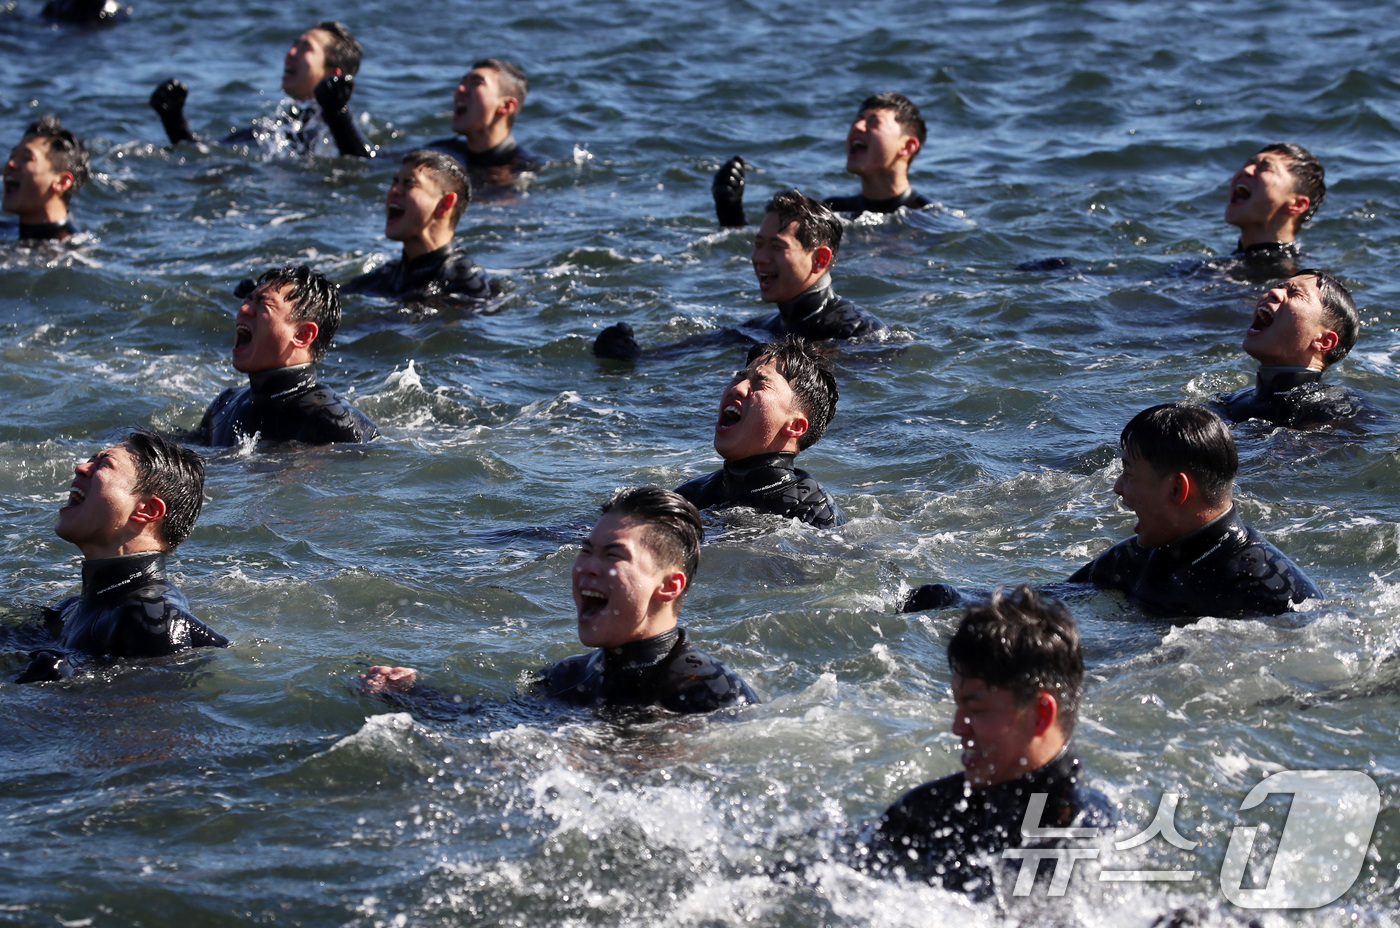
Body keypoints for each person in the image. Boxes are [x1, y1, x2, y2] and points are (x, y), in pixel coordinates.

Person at [361, 486, 757, 714]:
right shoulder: (569, 677)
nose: (587, 567)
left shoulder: (713, 693)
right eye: (585, 551)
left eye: (613, 555)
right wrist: (416, 693)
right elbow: (496, 725)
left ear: (669, 586)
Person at [903, 404, 1320, 618]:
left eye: (1128, 474)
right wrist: (955, 599)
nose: (1118, 489)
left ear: (1177, 489)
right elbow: (1055, 599)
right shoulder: (1134, 559)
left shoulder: (1267, 588)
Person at [867, 585, 1110, 893]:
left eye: (976, 709)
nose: (958, 727)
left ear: (1040, 715)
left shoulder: (1087, 840)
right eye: (958, 706)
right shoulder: (925, 812)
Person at [11, 430, 227, 683]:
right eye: (91, 459)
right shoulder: (71, 609)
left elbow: (153, 715)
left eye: (104, 464)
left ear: (146, 509)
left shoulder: (153, 618)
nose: (81, 467)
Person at [594, 190, 883, 360]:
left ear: (819, 259)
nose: (759, 258)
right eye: (758, 245)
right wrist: (632, 354)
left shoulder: (859, 332)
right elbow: (671, 356)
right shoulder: (759, 328)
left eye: (776, 247)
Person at [191, 265, 378, 446]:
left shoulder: (336, 423)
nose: (243, 309)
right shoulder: (225, 404)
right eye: (248, 300)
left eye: (263, 304)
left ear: (303, 335)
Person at [676, 336, 845, 528]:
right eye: (740, 377)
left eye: (760, 383)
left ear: (795, 427)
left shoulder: (812, 513)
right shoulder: (689, 496)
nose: (737, 388)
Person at [149, 21, 372, 158]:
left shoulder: (339, 128)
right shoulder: (281, 123)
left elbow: (363, 165)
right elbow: (208, 154)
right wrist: (173, 119)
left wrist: (336, 113)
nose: (291, 53)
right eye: (294, 44)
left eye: (306, 48)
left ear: (333, 74)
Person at [712, 92, 930, 227]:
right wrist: (729, 212)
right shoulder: (830, 212)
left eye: (873, 122)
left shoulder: (928, 218)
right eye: (856, 120)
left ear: (907, 146)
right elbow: (767, 256)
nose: (857, 127)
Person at [1211, 270, 1365, 429]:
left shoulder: (1340, 413)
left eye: (1294, 292)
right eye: (1278, 286)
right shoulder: (1226, 402)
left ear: (1324, 341)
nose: (1272, 292)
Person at [343, 150, 497, 302]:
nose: (393, 191)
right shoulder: (384, 277)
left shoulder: (468, 283)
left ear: (444, 204)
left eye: (409, 184)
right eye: (395, 182)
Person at [423, 58, 541, 187]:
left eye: (476, 83)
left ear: (506, 106)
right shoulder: (437, 153)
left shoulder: (523, 170)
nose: (460, 89)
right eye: (462, 82)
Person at [1218, 143, 1325, 282]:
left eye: (1265, 167)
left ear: (1297, 204)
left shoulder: (1298, 281)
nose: (1246, 170)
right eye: (1248, 163)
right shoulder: (1208, 268)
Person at [3, 114, 89, 242]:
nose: (10, 164)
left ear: (62, 182)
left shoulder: (68, 253)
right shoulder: (5, 231)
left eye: (26, 158)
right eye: (13, 156)